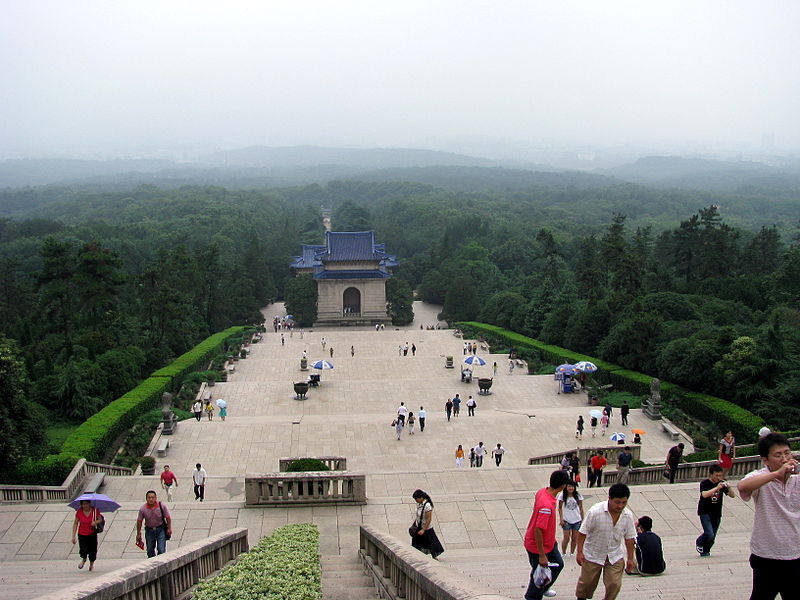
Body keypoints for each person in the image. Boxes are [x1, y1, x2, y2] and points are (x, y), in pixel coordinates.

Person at [737, 432, 800, 600]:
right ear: (765, 460)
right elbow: (742, 487)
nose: (784, 458)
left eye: (787, 453)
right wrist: (775, 474)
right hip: (766, 555)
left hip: (795, 554)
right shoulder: (760, 477)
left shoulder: (798, 478)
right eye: (778, 455)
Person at [575, 483, 637, 600]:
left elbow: (629, 538)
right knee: (586, 584)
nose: (620, 506)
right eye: (617, 502)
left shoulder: (627, 515)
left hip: (614, 554)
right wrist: (579, 552)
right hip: (593, 553)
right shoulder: (595, 512)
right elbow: (582, 532)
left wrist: (630, 558)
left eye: (624, 502)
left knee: (615, 584)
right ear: (610, 499)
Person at [523, 469, 570, 600]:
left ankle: (544, 587)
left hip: (549, 542)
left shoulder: (542, 492)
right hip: (538, 546)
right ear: (563, 486)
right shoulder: (546, 506)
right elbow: (538, 529)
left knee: (558, 564)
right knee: (539, 572)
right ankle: (531, 597)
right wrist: (542, 555)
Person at [696, 463, 735, 557]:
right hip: (705, 512)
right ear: (711, 474)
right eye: (716, 475)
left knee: (713, 536)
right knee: (709, 533)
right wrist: (716, 488)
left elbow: (732, 496)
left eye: (720, 475)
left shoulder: (722, 484)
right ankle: (699, 542)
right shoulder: (705, 483)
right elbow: (704, 494)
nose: (718, 477)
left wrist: (729, 487)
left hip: (716, 513)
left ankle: (705, 551)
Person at [136, 490, 172, 558]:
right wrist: (138, 533)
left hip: (160, 529)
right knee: (150, 550)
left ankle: (161, 563)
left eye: (153, 497)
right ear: (146, 498)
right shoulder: (143, 509)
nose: (151, 499)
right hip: (149, 530)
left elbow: (168, 517)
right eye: (149, 498)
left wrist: (169, 528)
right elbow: (139, 521)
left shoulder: (162, 506)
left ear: (156, 498)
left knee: (161, 550)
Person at [410, 489, 444, 559]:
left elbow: (429, 519)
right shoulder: (419, 504)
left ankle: (433, 556)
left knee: (431, 544)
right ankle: (417, 556)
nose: (416, 500)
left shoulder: (427, 505)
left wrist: (423, 529)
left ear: (421, 497)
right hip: (419, 526)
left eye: (417, 498)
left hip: (426, 528)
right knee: (417, 543)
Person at [71, 499, 102, 571]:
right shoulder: (79, 512)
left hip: (92, 533)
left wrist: (95, 522)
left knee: (93, 549)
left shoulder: (95, 510)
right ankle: (84, 559)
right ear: (81, 505)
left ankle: (91, 565)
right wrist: (73, 536)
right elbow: (75, 523)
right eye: (83, 504)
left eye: (87, 504)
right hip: (82, 533)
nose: (85, 506)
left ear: (89, 504)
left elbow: (100, 519)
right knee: (83, 549)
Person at [558, 480, 584, 556]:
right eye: (569, 486)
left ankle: (572, 552)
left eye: (572, 486)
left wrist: (582, 519)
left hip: (577, 520)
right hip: (567, 521)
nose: (571, 488)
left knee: (575, 538)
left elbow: (581, 508)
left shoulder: (578, 495)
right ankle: (563, 552)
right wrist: (561, 519)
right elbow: (559, 508)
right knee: (566, 538)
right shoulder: (562, 495)